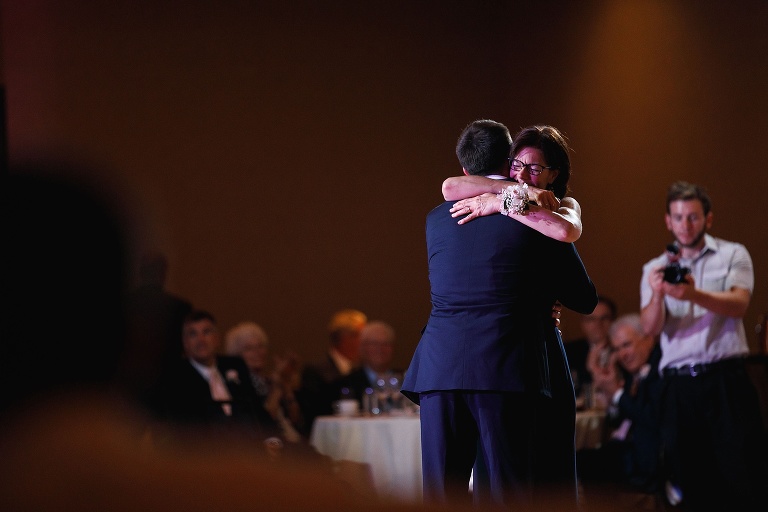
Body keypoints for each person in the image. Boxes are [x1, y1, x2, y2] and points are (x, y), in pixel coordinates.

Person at [401, 120, 598, 509]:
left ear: (464, 167)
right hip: (504, 366)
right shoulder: (535, 215)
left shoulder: (437, 218)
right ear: (509, 162)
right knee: (509, 496)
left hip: (439, 368)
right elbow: (583, 297)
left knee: (443, 497)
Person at [640, 181, 767, 510]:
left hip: (727, 381)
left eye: (693, 217)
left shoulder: (733, 254)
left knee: (743, 476)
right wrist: (657, 293)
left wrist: (693, 294)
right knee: (690, 481)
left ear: (708, 219)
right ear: (668, 221)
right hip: (680, 387)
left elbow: (739, 305)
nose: (685, 225)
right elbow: (650, 328)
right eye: (678, 218)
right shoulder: (654, 269)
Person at [158, 310, 283, 458]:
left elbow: (260, 415)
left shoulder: (235, 365)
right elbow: (185, 432)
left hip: (254, 455)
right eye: (193, 334)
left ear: (217, 339)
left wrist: (274, 446)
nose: (201, 340)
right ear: (185, 343)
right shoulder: (176, 377)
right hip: (212, 460)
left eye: (206, 332)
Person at [443, 124, 583, 244]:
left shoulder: (567, 204)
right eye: (516, 165)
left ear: (553, 175)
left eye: (534, 169)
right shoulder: (497, 192)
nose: (521, 174)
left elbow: (566, 230)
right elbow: (449, 186)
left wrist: (499, 203)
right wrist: (520, 190)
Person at [581, 314, 664, 509]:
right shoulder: (630, 373)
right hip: (627, 449)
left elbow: (650, 419)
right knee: (577, 461)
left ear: (649, 339)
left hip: (648, 459)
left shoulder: (660, 369)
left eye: (627, 345)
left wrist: (617, 394)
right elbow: (619, 420)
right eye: (617, 349)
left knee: (584, 464)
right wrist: (611, 397)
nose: (623, 354)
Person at [124, 250, 193, 415]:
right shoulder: (180, 307)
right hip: (170, 387)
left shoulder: (124, 304)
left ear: (140, 272)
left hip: (130, 386)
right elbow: (187, 350)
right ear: (164, 273)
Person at [225, 321, 304, 442]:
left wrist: (286, 384)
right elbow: (264, 423)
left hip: (289, 439)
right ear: (236, 355)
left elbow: (296, 419)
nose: (257, 352)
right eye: (249, 348)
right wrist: (277, 387)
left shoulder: (266, 381)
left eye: (260, 346)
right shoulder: (238, 385)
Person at [297, 309, 367, 435]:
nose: (363, 343)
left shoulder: (360, 372)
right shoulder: (316, 372)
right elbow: (313, 415)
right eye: (359, 336)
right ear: (344, 338)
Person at [335, 320, 403, 413]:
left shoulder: (406, 381)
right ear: (362, 348)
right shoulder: (346, 384)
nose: (380, 349)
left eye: (386, 344)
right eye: (374, 343)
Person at [564, 296, 618, 406]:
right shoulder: (568, 352)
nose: (598, 324)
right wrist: (590, 368)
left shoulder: (623, 350)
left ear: (613, 321)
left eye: (604, 318)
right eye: (592, 319)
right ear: (583, 324)